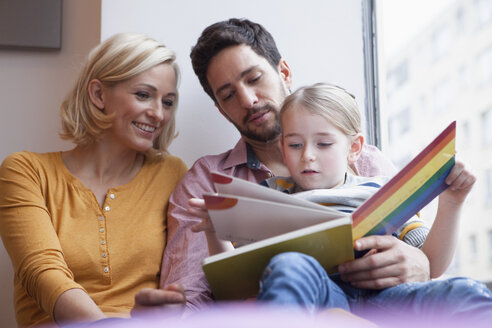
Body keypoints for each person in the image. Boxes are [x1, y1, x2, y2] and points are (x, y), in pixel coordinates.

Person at [158, 18, 431, 310]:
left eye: (254, 79)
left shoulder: (365, 162)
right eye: (228, 95)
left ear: (284, 73)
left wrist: (421, 263)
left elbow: (425, 259)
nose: (248, 100)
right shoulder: (207, 181)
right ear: (221, 110)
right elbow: (190, 298)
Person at [0, 33, 188, 327]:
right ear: (98, 94)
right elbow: (43, 272)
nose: (158, 113)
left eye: (168, 101)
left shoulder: (172, 173)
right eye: (143, 95)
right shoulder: (26, 171)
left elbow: (185, 275)